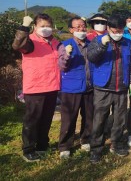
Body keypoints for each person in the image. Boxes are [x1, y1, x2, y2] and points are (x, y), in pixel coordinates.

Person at [87, 14, 131, 163]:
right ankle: (96, 149)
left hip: (121, 87)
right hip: (103, 87)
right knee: (99, 119)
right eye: (114, 30)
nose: (117, 33)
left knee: (119, 119)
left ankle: (116, 144)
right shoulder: (98, 40)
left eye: (120, 30)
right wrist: (102, 45)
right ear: (108, 28)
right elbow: (91, 57)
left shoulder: (127, 42)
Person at [12, 13, 60, 162]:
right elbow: (17, 45)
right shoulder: (30, 41)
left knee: (46, 118)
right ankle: (28, 149)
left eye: (48, 26)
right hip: (35, 88)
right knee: (32, 120)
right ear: (35, 27)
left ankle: (42, 146)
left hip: (52, 86)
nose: (46, 29)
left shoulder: (55, 42)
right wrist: (23, 28)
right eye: (42, 26)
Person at [58, 17, 94, 159]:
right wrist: (67, 54)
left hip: (89, 87)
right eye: (78, 27)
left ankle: (85, 139)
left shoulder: (91, 45)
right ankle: (65, 146)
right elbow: (61, 66)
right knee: (69, 118)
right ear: (71, 30)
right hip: (71, 88)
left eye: (83, 26)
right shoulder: (65, 45)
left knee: (88, 116)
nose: (81, 29)